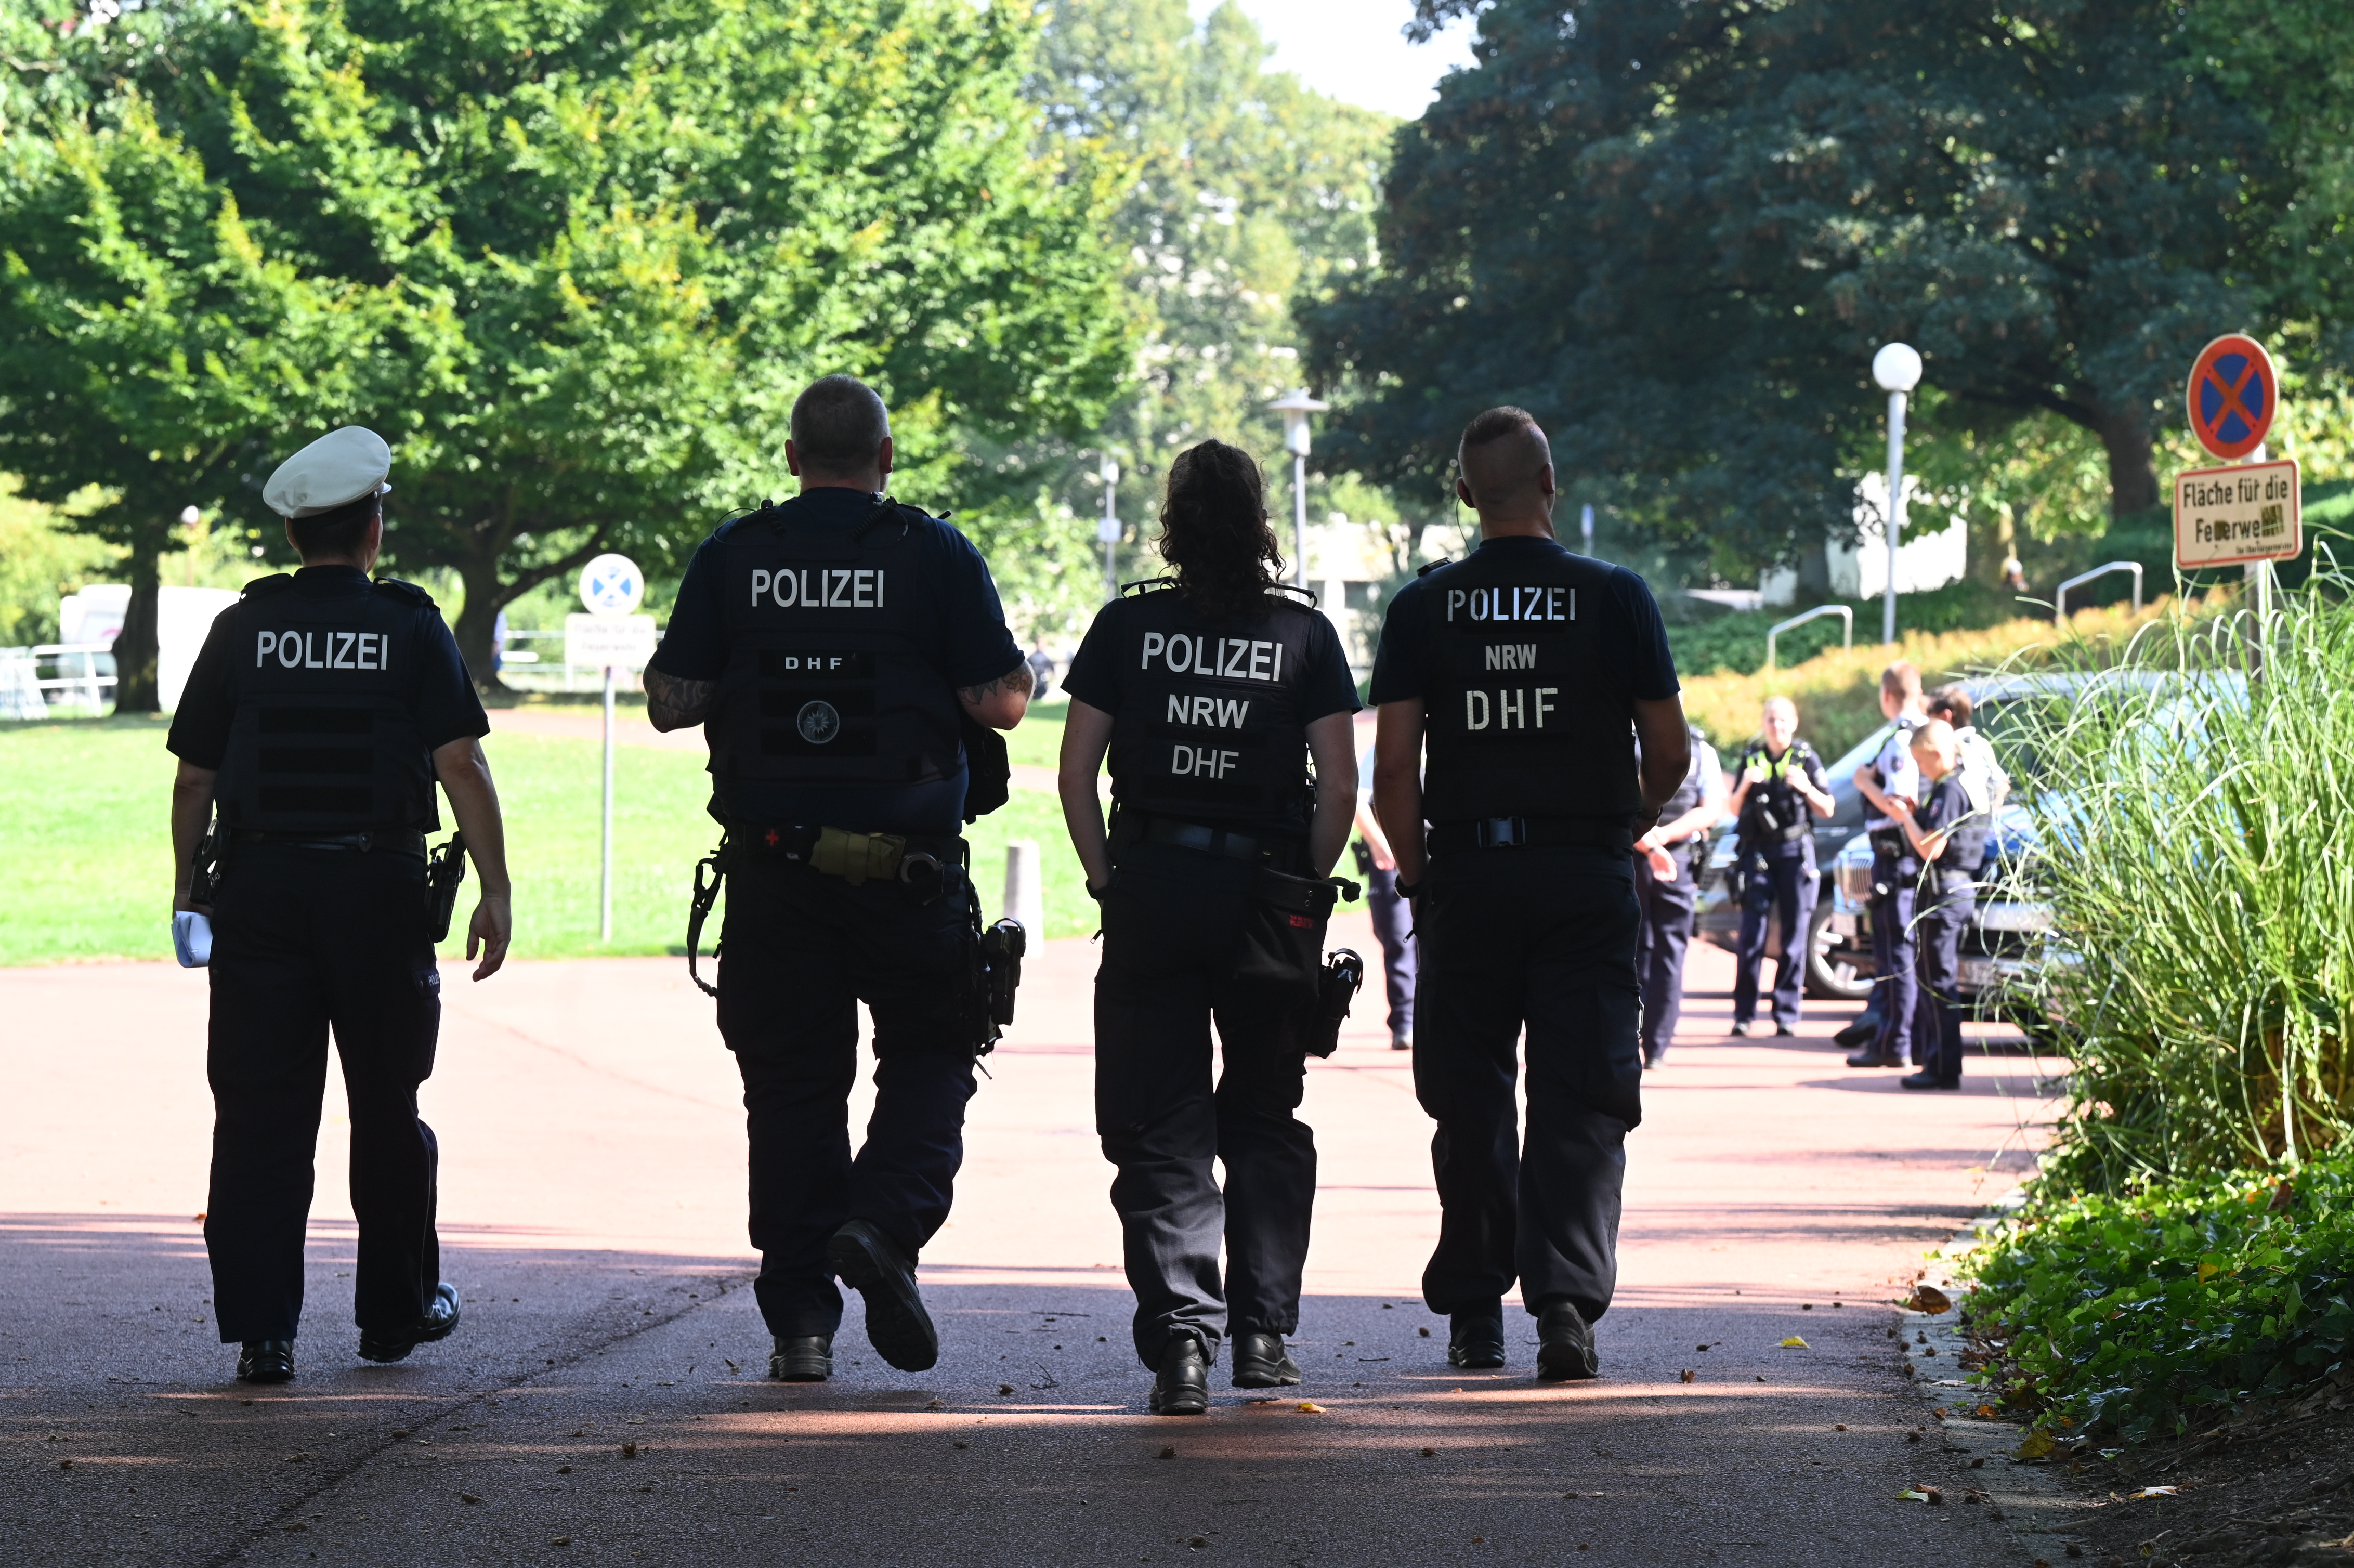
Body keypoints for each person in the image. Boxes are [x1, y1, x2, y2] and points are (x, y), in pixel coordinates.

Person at [643, 374, 1034, 1384]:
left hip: (776, 874)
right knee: (933, 1052)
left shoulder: (737, 555)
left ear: (789, 455)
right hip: (907, 876)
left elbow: (670, 701)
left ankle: (801, 1325)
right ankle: (884, 1224)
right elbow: (999, 703)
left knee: (790, 1090)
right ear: (885, 456)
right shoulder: (934, 553)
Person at [165, 425, 514, 1386]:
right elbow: (460, 764)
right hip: (377, 893)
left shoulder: (241, 630)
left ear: (293, 538)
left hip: (262, 894)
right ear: (373, 529)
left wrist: (189, 887)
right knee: (386, 1108)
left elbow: (195, 778)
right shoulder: (409, 625)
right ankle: (394, 1314)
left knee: (259, 1116)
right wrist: (495, 885)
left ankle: (262, 1332)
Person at [1369, 407, 1689, 1382]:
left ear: (1466, 494)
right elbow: (1668, 755)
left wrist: (1420, 880)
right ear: (1552, 481)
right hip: (1583, 878)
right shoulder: (1615, 597)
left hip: (1467, 873)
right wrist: (1610, 828)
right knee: (1581, 1094)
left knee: (1468, 1097)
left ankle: (1474, 1312)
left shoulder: (1423, 608)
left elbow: (1392, 776)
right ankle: (1564, 1311)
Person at [1056, 440, 1360, 1416]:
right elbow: (1340, 787)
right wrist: (1300, 896)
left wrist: (1108, 879)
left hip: (1152, 885)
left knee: (1159, 1124)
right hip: (1264, 898)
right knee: (1265, 1116)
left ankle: (1182, 1343)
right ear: (1260, 519)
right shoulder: (1304, 637)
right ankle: (1263, 1337)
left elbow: (1074, 774)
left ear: (1174, 526)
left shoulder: (1124, 627)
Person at [1721, 696, 1834, 1037]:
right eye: (1771, 720)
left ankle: (1786, 1013)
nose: (1777, 726)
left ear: (1794, 723)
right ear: (1763, 723)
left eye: (1783, 720)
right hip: (1758, 854)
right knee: (1751, 937)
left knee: (1794, 936)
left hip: (1793, 853)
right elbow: (1733, 808)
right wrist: (1744, 784)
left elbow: (1828, 808)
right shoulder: (1752, 757)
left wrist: (1806, 787)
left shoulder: (1805, 759)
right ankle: (1744, 1014)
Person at [1896, 720, 1991, 1091]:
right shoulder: (1963, 782)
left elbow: (1930, 848)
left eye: (1921, 763)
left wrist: (1903, 818)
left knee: (1938, 983)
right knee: (1937, 980)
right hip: (1955, 891)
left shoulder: (1950, 789)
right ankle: (1938, 1063)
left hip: (1946, 891)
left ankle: (1943, 1068)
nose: (1921, 770)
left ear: (1936, 754)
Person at [1848, 662, 1929, 1069]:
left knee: (1897, 954)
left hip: (1896, 857)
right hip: (1905, 856)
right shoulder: (1924, 732)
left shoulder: (1902, 739)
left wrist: (1864, 785)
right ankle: (1895, 1038)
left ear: (1887, 696)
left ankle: (1897, 1042)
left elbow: (1902, 805)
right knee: (1897, 953)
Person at [1631, 723, 1724, 1067]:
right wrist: (1664, 840)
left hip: (1636, 856)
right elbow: (1710, 810)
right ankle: (1656, 1047)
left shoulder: (1625, 743)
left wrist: (1652, 842)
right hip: (1677, 861)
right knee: (1669, 954)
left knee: (1632, 952)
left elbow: (1617, 803)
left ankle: (1629, 1040)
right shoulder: (1702, 751)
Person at [1352, 735, 1417, 1052]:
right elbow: (1356, 798)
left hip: (1443, 844)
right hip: (1390, 846)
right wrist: (1380, 843)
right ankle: (1406, 1021)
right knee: (1397, 936)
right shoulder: (1380, 751)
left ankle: (1438, 1018)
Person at [1926, 686, 2010, 816]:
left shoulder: (1954, 749)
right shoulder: (1979, 742)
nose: (1926, 718)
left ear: (1945, 716)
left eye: (1929, 711)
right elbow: (2003, 784)